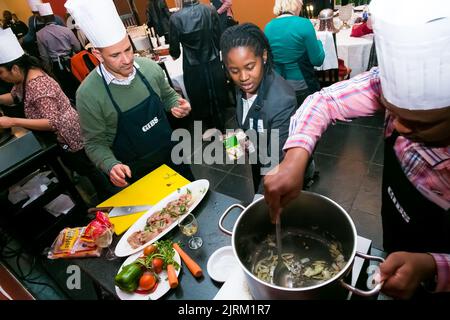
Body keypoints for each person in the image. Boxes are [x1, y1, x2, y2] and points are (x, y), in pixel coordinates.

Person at [264, 0, 450, 299]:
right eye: (392, 111)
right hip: (397, 236)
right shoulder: (385, 82)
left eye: (420, 125)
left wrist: (432, 267)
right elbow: (323, 102)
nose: (399, 128)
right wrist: (295, 157)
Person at [65, 0, 192, 189]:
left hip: (173, 156)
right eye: (115, 55)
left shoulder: (149, 68)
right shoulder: (88, 94)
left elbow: (167, 96)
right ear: (98, 55)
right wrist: (111, 165)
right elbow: (94, 143)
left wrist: (177, 104)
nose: (126, 60)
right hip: (137, 172)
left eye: (128, 49)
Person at [0, 28, 111, 202]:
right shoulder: (23, 79)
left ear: (14, 68)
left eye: (1, 72)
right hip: (63, 134)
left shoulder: (37, 83)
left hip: (68, 133)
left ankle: (108, 198)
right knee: (84, 168)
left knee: (88, 169)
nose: (2, 77)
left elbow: (52, 122)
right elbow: (14, 97)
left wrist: (12, 120)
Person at [220, 23, 297, 193]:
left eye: (249, 67)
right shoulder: (242, 85)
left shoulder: (282, 101)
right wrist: (235, 142)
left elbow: (275, 166)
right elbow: (247, 125)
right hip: (258, 162)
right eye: (234, 70)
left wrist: (258, 203)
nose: (243, 77)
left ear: (263, 56)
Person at [169, 0, 229, 133]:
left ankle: (211, 130)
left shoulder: (175, 18)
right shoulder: (210, 10)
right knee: (218, 95)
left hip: (193, 66)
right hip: (213, 61)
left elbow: (175, 52)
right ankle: (223, 130)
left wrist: (175, 53)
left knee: (200, 100)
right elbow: (219, 38)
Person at [264, 0, 325, 106]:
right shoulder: (304, 24)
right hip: (301, 84)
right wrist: (320, 43)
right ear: (297, 4)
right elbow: (317, 60)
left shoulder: (268, 27)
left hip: (278, 85)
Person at [36, 3, 81, 102]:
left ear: (42, 20)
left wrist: (49, 71)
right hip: (71, 61)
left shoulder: (40, 34)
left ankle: (73, 102)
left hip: (57, 65)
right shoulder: (66, 30)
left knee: (66, 87)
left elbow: (44, 56)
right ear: (54, 17)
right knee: (77, 83)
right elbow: (77, 47)